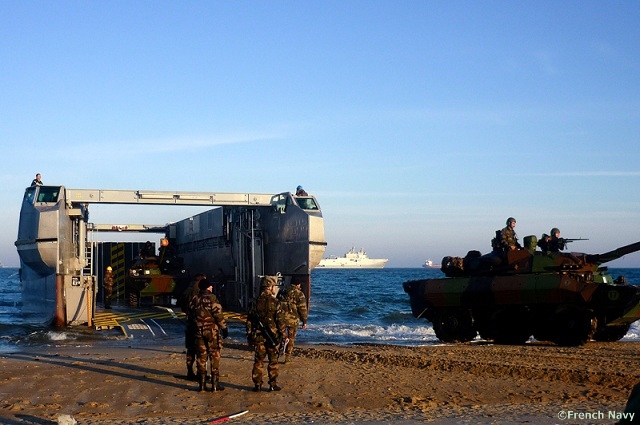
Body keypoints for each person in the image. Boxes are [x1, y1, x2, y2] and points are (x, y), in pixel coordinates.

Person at [187, 277, 228, 392]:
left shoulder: (194, 299)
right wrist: (224, 328)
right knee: (214, 355)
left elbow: (190, 315)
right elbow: (218, 315)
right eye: (210, 286)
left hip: (198, 332)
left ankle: (202, 384)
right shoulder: (212, 298)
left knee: (201, 356)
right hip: (211, 332)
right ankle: (215, 384)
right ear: (207, 287)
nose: (212, 287)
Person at [246, 275, 286, 392]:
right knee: (273, 362)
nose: (275, 288)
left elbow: (249, 321)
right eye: (274, 286)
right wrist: (284, 335)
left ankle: (257, 385)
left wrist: (249, 335)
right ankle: (272, 385)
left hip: (258, 337)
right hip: (273, 337)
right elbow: (280, 321)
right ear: (270, 287)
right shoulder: (276, 302)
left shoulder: (254, 302)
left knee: (258, 362)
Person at [181, 273, 208, 380]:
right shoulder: (199, 292)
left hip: (190, 322)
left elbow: (183, 305)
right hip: (201, 323)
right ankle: (201, 373)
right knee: (201, 350)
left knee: (191, 349)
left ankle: (190, 371)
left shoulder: (188, 289)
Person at [279, 279, 308, 363]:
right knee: (291, 339)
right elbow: (302, 309)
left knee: (281, 336)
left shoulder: (283, 291)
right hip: (293, 320)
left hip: (281, 319)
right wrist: (304, 321)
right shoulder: (299, 294)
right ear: (298, 284)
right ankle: (287, 358)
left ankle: (277, 354)